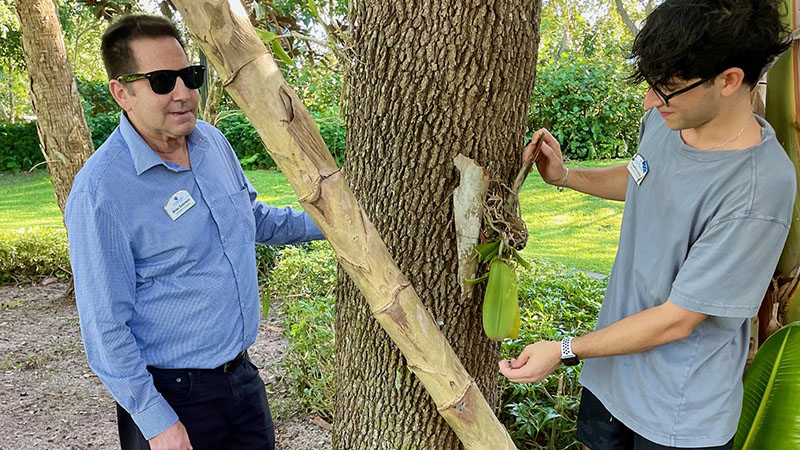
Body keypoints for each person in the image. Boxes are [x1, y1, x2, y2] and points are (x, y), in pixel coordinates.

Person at [499, 1, 795, 449]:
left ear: (730, 80)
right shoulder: (666, 123)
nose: (650, 100)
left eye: (668, 88)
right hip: (610, 380)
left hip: (677, 415)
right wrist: (565, 177)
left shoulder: (757, 189)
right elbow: (645, 177)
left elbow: (678, 320)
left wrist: (563, 350)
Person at [65, 15, 324, 450]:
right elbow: (105, 328)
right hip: (173, 399)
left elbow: (251, 218)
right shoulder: (101, 193)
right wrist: (157, 423)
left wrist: (332, 226)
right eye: (163, 80)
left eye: (190, 75)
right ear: (122, 92)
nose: (184, 93)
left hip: (242, 379)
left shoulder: (212, 143)